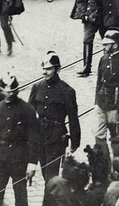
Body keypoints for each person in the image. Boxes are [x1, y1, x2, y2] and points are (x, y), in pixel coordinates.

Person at [0, 76, 34, 206]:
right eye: (6, 91)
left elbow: (34, 138)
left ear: (17, 90)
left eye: (12, 91)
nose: (9, 94)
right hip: (1, 158)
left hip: (20, 158)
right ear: (1, 91)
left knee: (20, 195)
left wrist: (32, 162)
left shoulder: (27, 109)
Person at [27, 53, 81, 185]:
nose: (44, 72)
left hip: (56, 137)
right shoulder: (37, 87)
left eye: (49, 69)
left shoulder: (67, 91)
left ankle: (49, 203)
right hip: (40, 136)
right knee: (45, 173)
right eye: (43, 69)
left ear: (57, 69)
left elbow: (73, 118)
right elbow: (29, 114)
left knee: (51, 176)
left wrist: (74, 142)